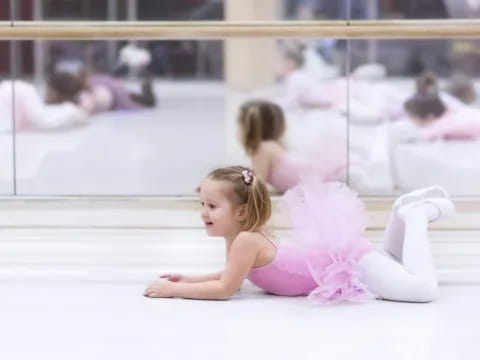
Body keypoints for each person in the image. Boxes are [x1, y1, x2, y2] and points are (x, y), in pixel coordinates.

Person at [144, 166, 455, 304]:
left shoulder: (246, 239)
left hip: (353, 264)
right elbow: (230, 276)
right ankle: (400, 213)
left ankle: (416, 216)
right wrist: (185, 279)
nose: (203, 212)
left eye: (212, 206)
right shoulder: (241, 238)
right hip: (350, 260)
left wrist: (174, 292)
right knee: (390, 261)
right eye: (203, 204)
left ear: (240, 212)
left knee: (423, 290)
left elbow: (227, 288)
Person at [236, 100, 345, 193]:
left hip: (316, 183)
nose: (237, 131)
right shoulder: (272, 147)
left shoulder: (262, 149)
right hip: (317, 178)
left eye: (239, 125)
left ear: (250, 129)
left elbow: (258, 186)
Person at [46, 68, 156, 115]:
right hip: (105, 90)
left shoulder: (82, 98)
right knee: (132, 96)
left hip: (112, 93)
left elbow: (84, 110)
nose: (46, 94)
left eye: (50, 90)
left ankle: (147, 91)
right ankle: (146, 91)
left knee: (143, 102)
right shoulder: (65, 100)